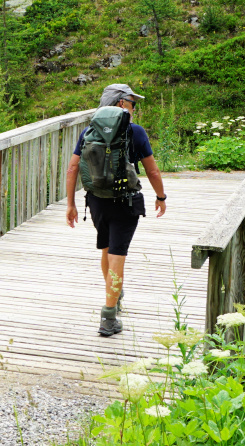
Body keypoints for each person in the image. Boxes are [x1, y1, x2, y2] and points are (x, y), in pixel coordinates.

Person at [65, 83, 167, 336]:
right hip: (126, 202)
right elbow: (152, 170)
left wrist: (70, 204)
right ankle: (109, 318)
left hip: (97, 200)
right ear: (121, 103)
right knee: (118, 255)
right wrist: (161, 196)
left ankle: (115, 295)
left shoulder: (89, 131)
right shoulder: (136, 132)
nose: (135, 108)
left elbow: (72, 168)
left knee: (107, 248)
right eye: (133, 102)